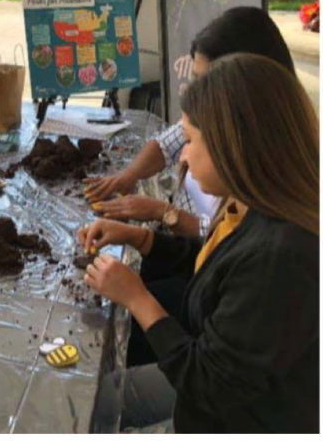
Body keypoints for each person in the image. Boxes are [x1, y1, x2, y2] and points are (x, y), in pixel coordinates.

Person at [79, 53, 319, 432]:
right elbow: (218, 265)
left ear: (233, 146)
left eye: (190, 141)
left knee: (93, 416)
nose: (183, 157)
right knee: (94, 402)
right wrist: (141, 238)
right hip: (211, 393)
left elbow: (210, 383)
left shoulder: (280, 256)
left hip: (234, 419)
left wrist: (138, 298)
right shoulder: (249, 208)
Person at [84, 6, 296, 239]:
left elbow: (227, 236)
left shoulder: (271, 171)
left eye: (208, 82)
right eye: (196, 79)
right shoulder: (206, 117)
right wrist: (129, 176)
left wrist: (161, 212)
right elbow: (165, 145)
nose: (183, 155)